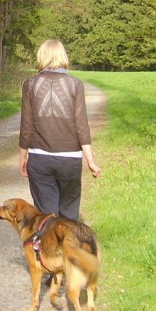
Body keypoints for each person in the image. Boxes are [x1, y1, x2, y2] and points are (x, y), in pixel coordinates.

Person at [19, 39, 101, 221]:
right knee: (69, 214)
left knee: (46, 218)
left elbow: (26, 126)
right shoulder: (75, 84)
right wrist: (91, 160)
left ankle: (47, 248)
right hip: (70, 160)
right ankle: (68, 248)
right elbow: (81, 125)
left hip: (39, 159)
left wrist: (22, 157)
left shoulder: (30, 85)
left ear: (42, 56)